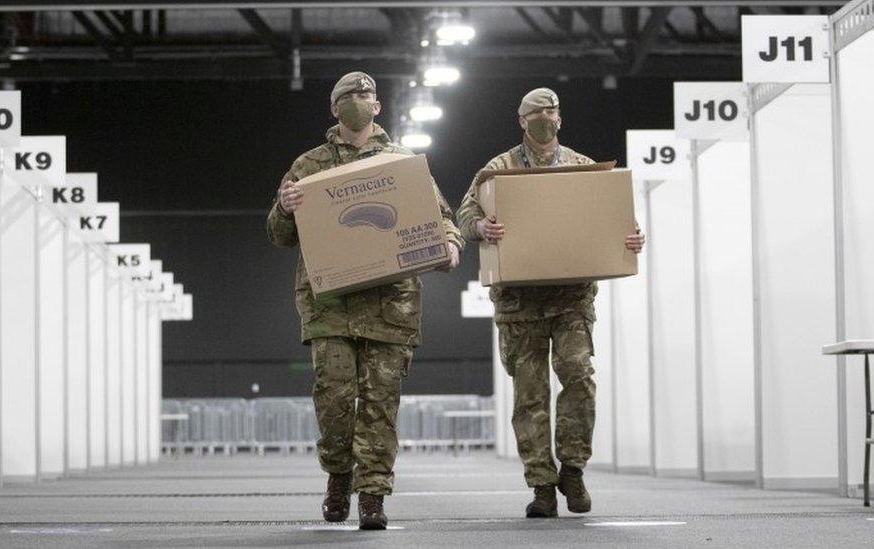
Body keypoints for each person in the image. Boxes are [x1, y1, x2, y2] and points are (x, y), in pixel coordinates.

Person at [266, 71, 464, 530]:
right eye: (349, 95)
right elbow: (278, 235)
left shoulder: (403, 163)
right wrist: (284, 205)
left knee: (380, 405)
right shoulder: (308, 166)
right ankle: (339, 474)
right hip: (330, 306)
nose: (359, 99)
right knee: (334, 403)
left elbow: (443, 217)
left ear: (378, 106)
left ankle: (372, 495)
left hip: (391, 306)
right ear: (334, 109)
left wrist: (451, 245)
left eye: (367, 94)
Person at [455, 87, 645, 518]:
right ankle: (541, 484)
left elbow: (615, 220)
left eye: (552, 111)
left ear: (561, 118)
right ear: (522, 121)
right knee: (530, 394)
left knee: (577, 375)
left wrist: (631, 237)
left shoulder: (582, 168)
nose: (545, 118)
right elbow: (465, 213)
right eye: (536, 112)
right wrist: (481, 227)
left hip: (571, 297)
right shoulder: (497, 170)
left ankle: (573, 468)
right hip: (519, 302)